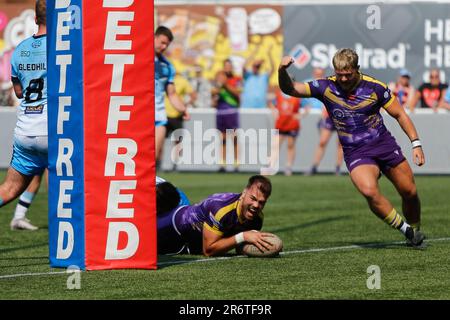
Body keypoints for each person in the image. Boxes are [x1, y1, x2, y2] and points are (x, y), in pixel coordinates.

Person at [278, 48, 426, 248]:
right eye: (340, 75)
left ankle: (415, 227)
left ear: (357, 69)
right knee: (369, 191)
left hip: (383, 145)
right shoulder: (325, 87)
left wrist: (415, 144)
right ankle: (407, 230)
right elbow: (291, 89)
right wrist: (281, 71)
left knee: (409, 192)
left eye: (348, 74)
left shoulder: (376, 87)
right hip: (356, 152)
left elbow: (400, 114)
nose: (344, 79)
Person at [0, 1, 47, 229]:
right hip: (53, 130)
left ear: (35, 19)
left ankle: (19, 215)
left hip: (26, 130)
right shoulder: (63, 47)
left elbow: (19, 91)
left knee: (8, 189)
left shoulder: (20, 49)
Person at [157, 175, 274, 256]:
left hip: (191, 243)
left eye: (261, 202)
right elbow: (208, 250)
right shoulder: (220, 208)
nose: (256, 205)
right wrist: (243, 236)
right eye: (253, 198)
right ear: (244, 193)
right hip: (173, 225)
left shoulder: (257, 219)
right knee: (145, 245)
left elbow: (238, 246)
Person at [154, 26, 188, 168]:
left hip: (158, 114)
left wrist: (183, 109)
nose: (164, 47)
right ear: (154, 38)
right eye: (162, 42)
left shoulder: (167, 67)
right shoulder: (137, 59)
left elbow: (172, 93)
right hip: (137, 113)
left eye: (167, 45)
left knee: (153, 155)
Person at [267, 87, 306, 176]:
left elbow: (307, 106)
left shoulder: (297, 96)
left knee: (290, 145)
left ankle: (288, 167)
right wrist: (274, 112)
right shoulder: (278, 94)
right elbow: (271, 103)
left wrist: (301, 115)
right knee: (275, 145)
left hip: (292, 125)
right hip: (281, 124)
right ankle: (271, 166)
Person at [212, 59, 242, 172]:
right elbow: (214, 92)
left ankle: (236, 163)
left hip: (231, 110)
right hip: (220, 110)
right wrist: (218, 87)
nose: (228, 68)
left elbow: (237, 93)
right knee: (223, 138)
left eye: (229, 66)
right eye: (226, 66)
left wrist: (225, 85)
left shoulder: (236, 79)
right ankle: (222, 164)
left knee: (234, 137)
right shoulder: (219, 78)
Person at [163, 72, 194, 171]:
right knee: (159, 140)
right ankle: (158, 164)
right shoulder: (162, 79)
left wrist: (183, 105)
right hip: (164, 115)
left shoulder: (182, 81)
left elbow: (193, 95)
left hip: (177, 116)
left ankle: (175, 165)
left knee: (177, 142)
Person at [305, 107, 343, 176]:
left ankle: (338, 168)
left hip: (342, 117)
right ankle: (314, 167)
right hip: (330, 115)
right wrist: (323, 115)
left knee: (340, 144)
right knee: (322, 142)